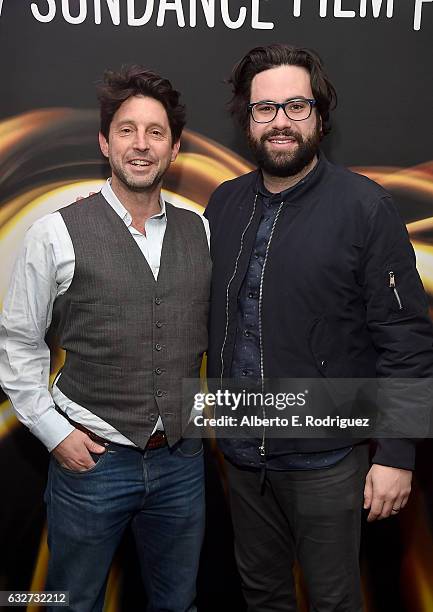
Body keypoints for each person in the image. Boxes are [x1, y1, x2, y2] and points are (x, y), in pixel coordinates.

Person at [204, 44, 433, 611]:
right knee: (262, 597)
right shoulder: (224, 205)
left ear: (320, 116)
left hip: (327, 459)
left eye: (296, 105)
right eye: (265, 108)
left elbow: (406, 339)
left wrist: (397, 454)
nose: (280, 120)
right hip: (240, 456)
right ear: (247, 119)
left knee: (334, 601)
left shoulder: (364, 206)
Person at [0, 66, 211, 612]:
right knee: (73, 603)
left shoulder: (202, 230)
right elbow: (19, 340)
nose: (141, 144)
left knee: (177, 604)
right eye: (126, 129)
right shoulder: (55, 231)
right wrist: (53, 432)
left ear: (175, 147)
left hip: (181, 462)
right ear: (104, 140)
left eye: (156, 132)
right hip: (92, 462)